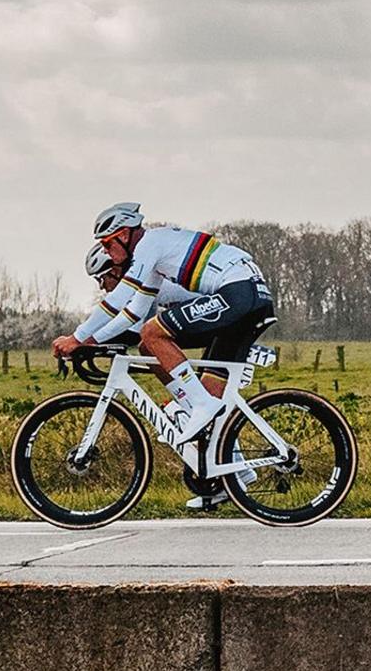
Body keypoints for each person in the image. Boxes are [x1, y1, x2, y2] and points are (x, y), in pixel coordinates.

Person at [54, 201, 276, 475]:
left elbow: (121, 302)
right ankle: (233, 475)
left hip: (239, 292)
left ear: (123, 235)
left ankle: (200, 406)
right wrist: (89, 341)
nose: (107, 253)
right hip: (246, 300)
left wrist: (77, 337)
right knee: (157, 347)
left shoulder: (150, 244)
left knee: (152, 333)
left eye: (107, 245)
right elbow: (131, 313)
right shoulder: (154, 264)